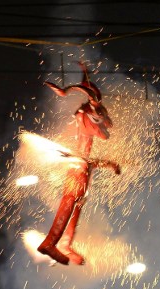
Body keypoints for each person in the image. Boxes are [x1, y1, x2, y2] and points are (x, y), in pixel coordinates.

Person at [37, 61, 120, 266]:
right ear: (86, 116)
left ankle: (65, 243)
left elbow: (88, 160)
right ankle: (49, 243)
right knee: (69, 202)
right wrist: (107, 164)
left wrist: (85, 74)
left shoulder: (86, 133)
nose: (105, 124)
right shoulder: (81, 126)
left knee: (77, 204)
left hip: (82, 169)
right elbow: (82, 160)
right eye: (98, 118)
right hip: (76, 171)